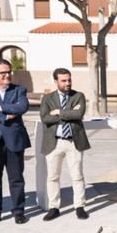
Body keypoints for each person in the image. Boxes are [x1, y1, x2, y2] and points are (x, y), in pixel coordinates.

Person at [39, 68, 90, 220]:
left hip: (73, 142)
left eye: (69, 80)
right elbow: (45, 118)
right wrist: (69, 113)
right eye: (64, 80)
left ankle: (79, 206)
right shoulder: (47, 98)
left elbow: (79, 114)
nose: (68, 83)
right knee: (53, 177)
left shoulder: (78, 96)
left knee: (77, 176)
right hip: (54, 142)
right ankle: (54, 207)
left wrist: (58, 112)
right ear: (56, 81)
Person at [0, 59, 30, 224]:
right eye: (2, 72)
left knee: (16, 178)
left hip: (14, 140)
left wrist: (1, 108)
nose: (7, 75)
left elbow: (22, 107)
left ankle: (18, 211)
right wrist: (7, 116)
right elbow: (15, 110)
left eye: (8, 71)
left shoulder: (19, 90)